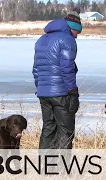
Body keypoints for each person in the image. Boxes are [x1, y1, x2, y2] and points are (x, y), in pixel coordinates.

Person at [32, 8, 82, 149]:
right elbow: (67, 68)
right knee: (65, 131)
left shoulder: (40, 40)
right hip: (61, 93)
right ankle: (63, 169)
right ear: (72, 28)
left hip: (43, 94)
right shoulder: (67, 40)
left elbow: (35, 69)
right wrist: (73, 92)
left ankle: (44, 167)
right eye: (77, 32)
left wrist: (41, 87)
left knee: (48, 130)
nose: (77, 36)